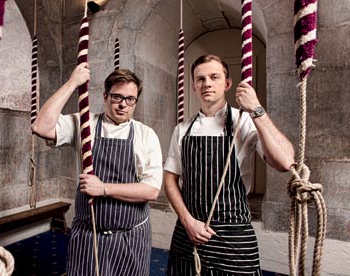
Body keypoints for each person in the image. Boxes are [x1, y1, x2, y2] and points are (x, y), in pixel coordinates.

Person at [164, 54, 295, 275]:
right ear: (194, 86)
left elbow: (285, 161)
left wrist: (256, 109)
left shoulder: (244, 121)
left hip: (233, 235)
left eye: (214, 77)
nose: (207, 83)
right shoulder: (182, 129)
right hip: (188, 232)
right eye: (200, 79)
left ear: (227, 83)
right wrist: (187, 220)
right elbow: (170, 179)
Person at [32, 62, 162, 276]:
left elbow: (151, 191)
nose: (123, 105)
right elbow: (41, 127)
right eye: (117, 97)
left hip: (130, 236)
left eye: (130, 99)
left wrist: (103, 188)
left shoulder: (146, 135)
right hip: (87, 235)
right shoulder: (84, 124)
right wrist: (72, 83)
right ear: (105, 96)